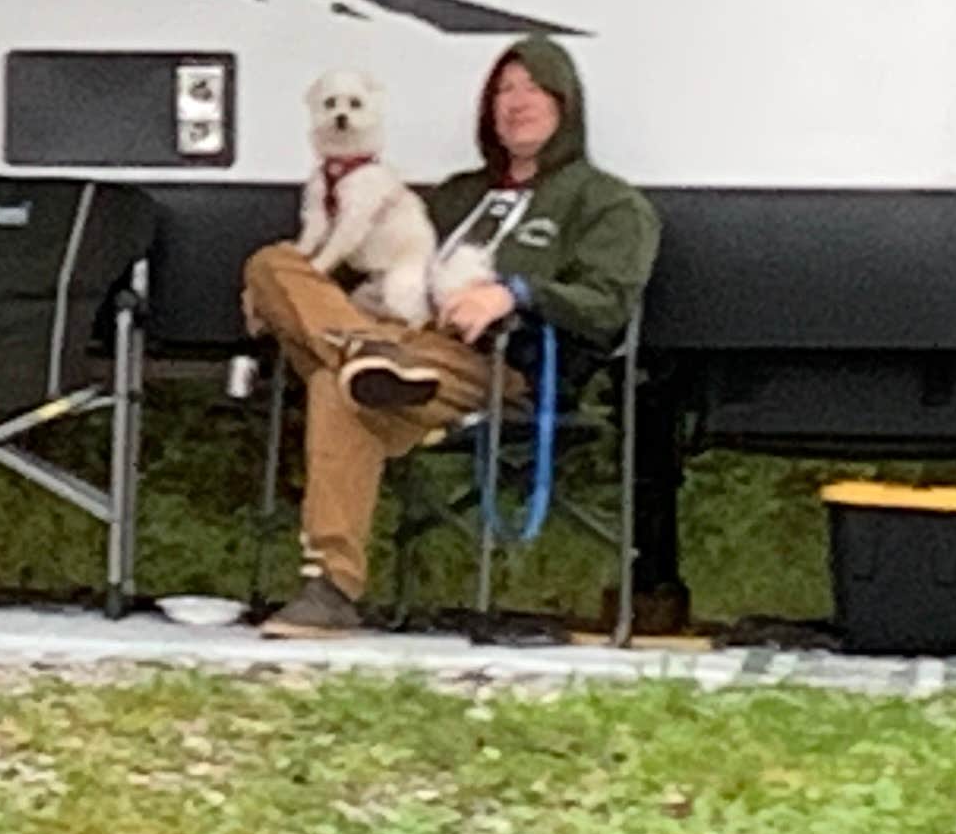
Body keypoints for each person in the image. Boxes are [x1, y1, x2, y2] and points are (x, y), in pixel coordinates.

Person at [243, 35, 659, 637]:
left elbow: (609, 305)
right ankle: (363, 350)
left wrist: (513, 293)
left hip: (494, 363)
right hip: (395, 335)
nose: (516, 102)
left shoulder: (606, 202)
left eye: (533, 88)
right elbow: (381, 259)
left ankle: (330, 589)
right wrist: (288, 293)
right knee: (271, 264)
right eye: (504, 90)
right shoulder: (457, 195)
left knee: (337, 387)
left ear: (565, 102)